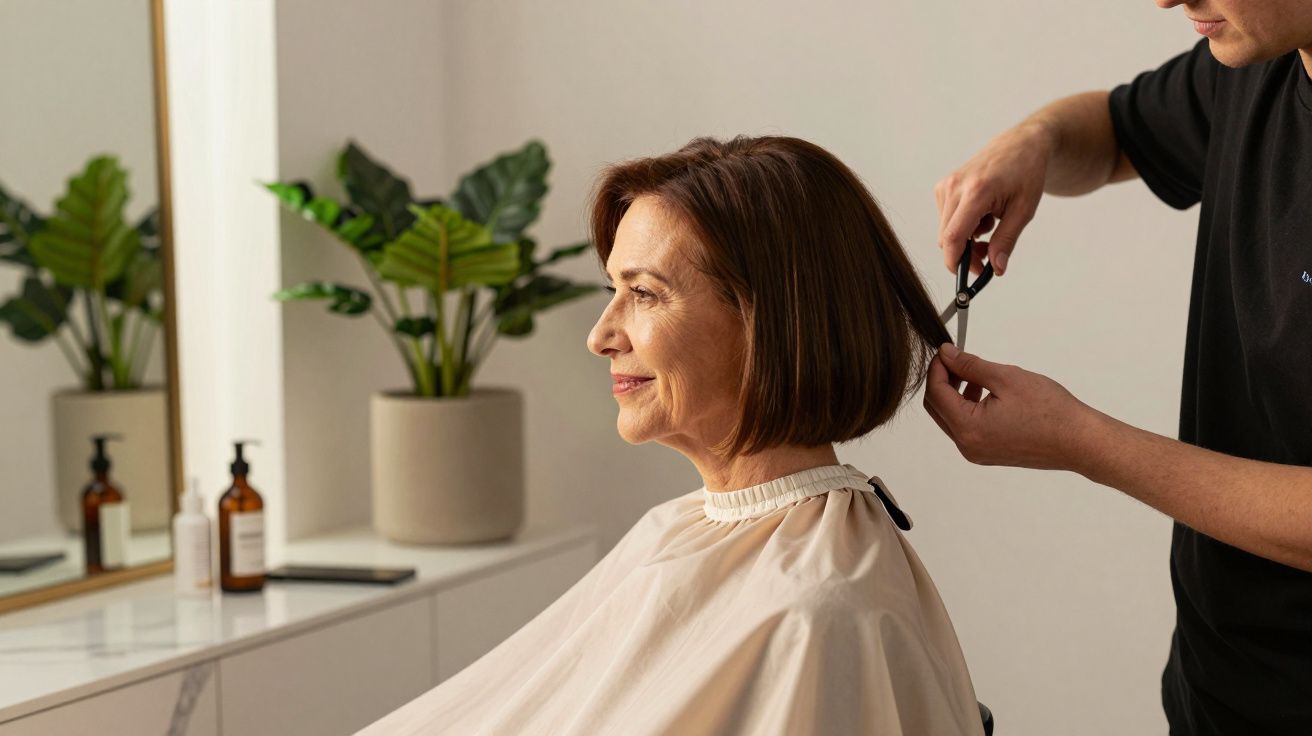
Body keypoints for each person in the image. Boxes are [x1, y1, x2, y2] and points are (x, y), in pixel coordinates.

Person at [359, 136, 986, 735]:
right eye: (614, 290)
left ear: (770, 321)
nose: (600, 336)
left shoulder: (814, 614)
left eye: (644, 293)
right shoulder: (677, 531)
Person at [924, 1, 1312, 733]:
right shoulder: (1257, 57)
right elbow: (1113, 135)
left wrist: (1081, 441)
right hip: (1215, 688)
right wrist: (1034, 142)